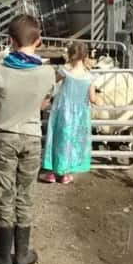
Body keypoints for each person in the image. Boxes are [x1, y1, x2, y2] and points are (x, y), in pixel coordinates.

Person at [0, 14, 56, 264]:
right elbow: (45, 102)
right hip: (32, 138)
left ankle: (3, 256)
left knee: (4, 194)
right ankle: (22, 256)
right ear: (39, 41)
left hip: (4, 136)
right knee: (25, 195)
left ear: (10, 41)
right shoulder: (48, 73)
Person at [40, 42, 98, 184]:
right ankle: (65, 173)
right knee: (72, 141)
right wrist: (100, 99)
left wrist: (47, 96)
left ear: (70, 55)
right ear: (85, 56)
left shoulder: (64, 72)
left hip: (62, 111)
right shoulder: (90, 77)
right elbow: (92, 98)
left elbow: (52, 83)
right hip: (79, 114)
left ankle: (53, 172)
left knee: (58, 139)